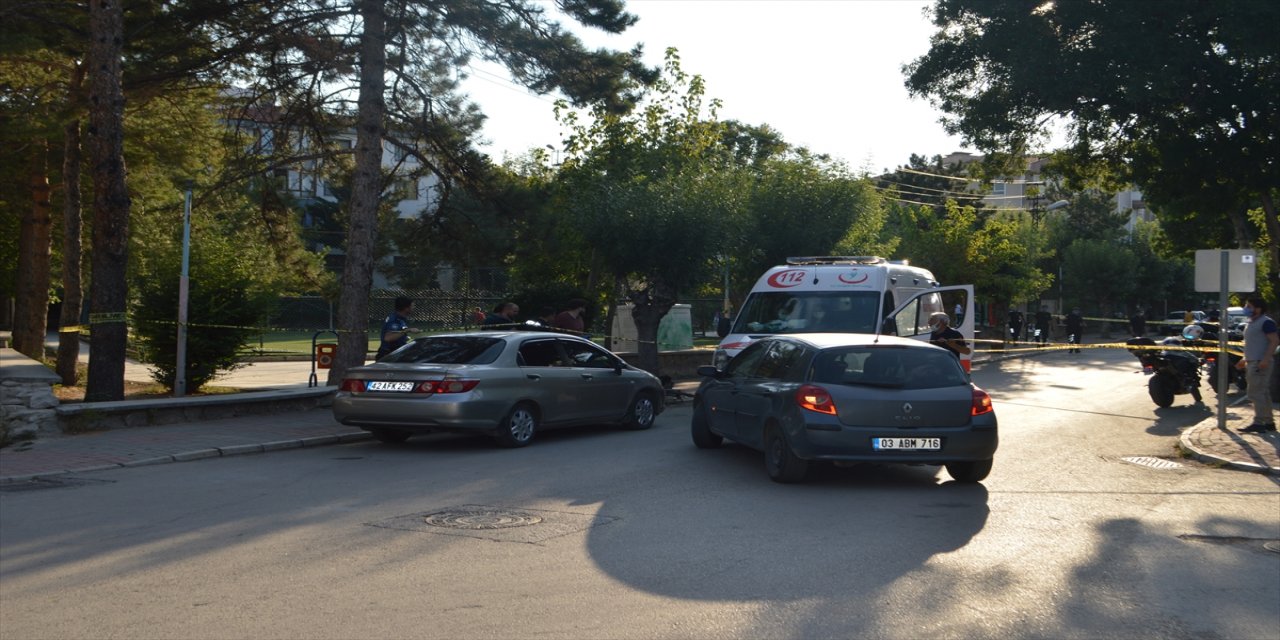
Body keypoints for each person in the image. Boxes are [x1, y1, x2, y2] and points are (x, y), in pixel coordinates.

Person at [1235, 297, 1278, 433]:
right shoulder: (1251, 322)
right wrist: (1244, 359)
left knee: (1255, 393)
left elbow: (1274, 341)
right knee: (1263, 393)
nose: (1246, 308)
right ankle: (1269, 422)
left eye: (1249, 306)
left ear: (1258, 309)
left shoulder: (1266, 322)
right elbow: (1253, 344)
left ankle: (1259, 423)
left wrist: (1265, 359)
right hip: (1253, 361)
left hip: (1260, 363)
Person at [376, 296, 420, 361]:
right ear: (406, 308)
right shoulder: (394, 319)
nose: (413, 308)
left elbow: (399, 333)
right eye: (412, 306)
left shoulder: (401, 318)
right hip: (389, 354)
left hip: (396, 353)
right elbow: (388, 338)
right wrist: (408, 330)